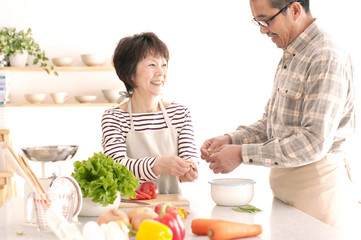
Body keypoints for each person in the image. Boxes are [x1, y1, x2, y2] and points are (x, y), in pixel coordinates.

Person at [201, 0, 359, 231]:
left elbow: (314, 142)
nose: (263, 29)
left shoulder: (325, 57)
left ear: (295, 10)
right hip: (287, 193)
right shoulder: (293, 52)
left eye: (266, 20)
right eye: (258, 21)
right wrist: (232, 139)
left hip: (317, 195)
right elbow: (273, 124)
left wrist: (242, 154)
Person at [101, 32, 198, 194]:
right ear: (130, 73)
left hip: (170, 208)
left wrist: (190, 170)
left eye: (164, 64)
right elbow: (117, 166)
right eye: (152, 65)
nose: (160, 72)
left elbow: (190, 157)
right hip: (128, 207)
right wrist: (157, 165)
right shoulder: (114, 118)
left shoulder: (180, 113)